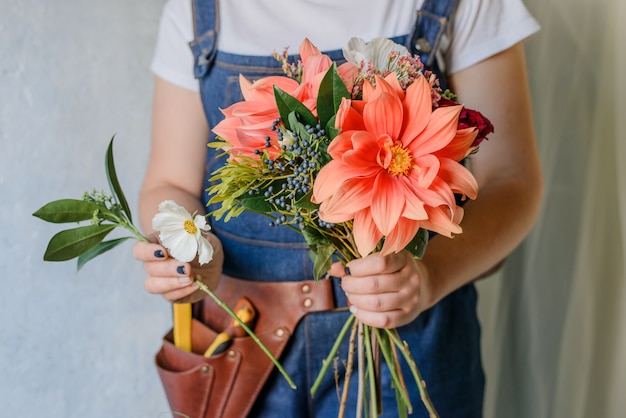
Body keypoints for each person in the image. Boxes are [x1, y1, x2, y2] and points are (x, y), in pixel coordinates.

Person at [132, 0, 543, 416]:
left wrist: (429, 276)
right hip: (243, 346)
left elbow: (512, 181)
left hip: (410, 341)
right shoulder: (197, 9)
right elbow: (170, 182)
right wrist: (190, 248)